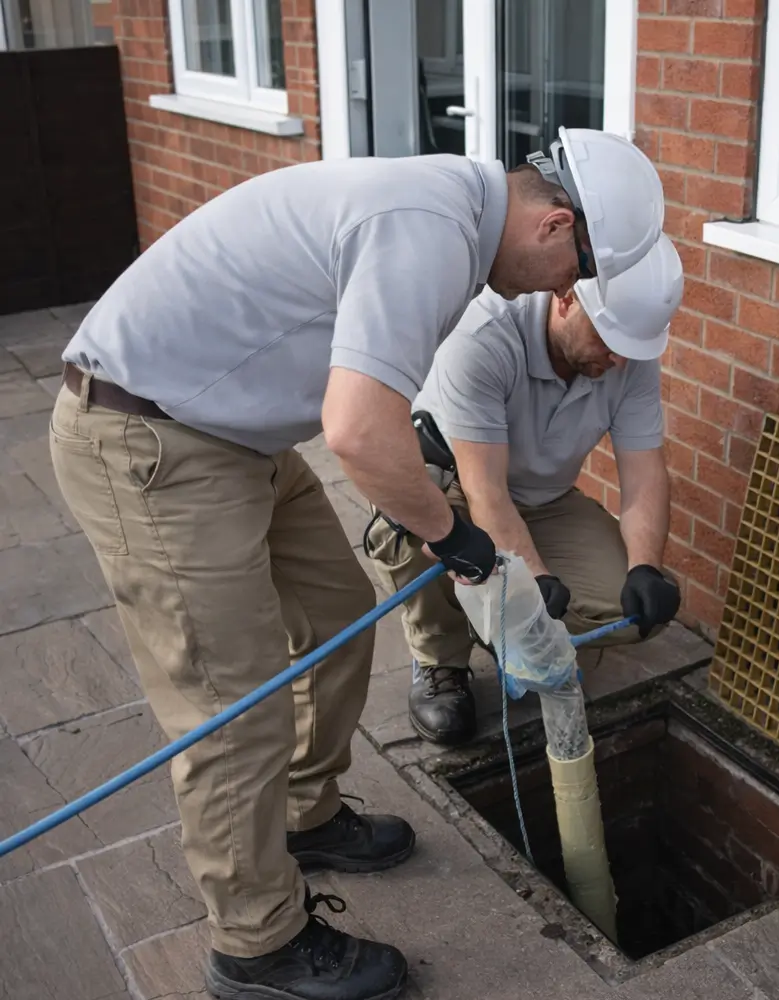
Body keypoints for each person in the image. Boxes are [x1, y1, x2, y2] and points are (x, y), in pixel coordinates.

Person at [48, 128, 665, 1000]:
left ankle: (305, 813)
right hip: (151, 439)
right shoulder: (430, 227)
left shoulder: (449, 214)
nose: (566, 291)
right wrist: (455, 536)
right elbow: (360, 432)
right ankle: (257, 945)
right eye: (578, 271)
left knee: (336, 613)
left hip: (231, 434)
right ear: (555, 225)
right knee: (232, 705)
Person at [366, 232, 684, 746]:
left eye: (633, 348)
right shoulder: (485, 338)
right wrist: (534, 580)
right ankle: (440, 661)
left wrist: (645, 565)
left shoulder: (629, 353)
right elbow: (485, 490)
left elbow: (644, 472)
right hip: (457, 492)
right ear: (565, 297)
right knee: (411, 528)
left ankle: (496, 626)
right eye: (611, 341)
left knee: (629, 610)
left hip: (543, 502)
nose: (621, 361)